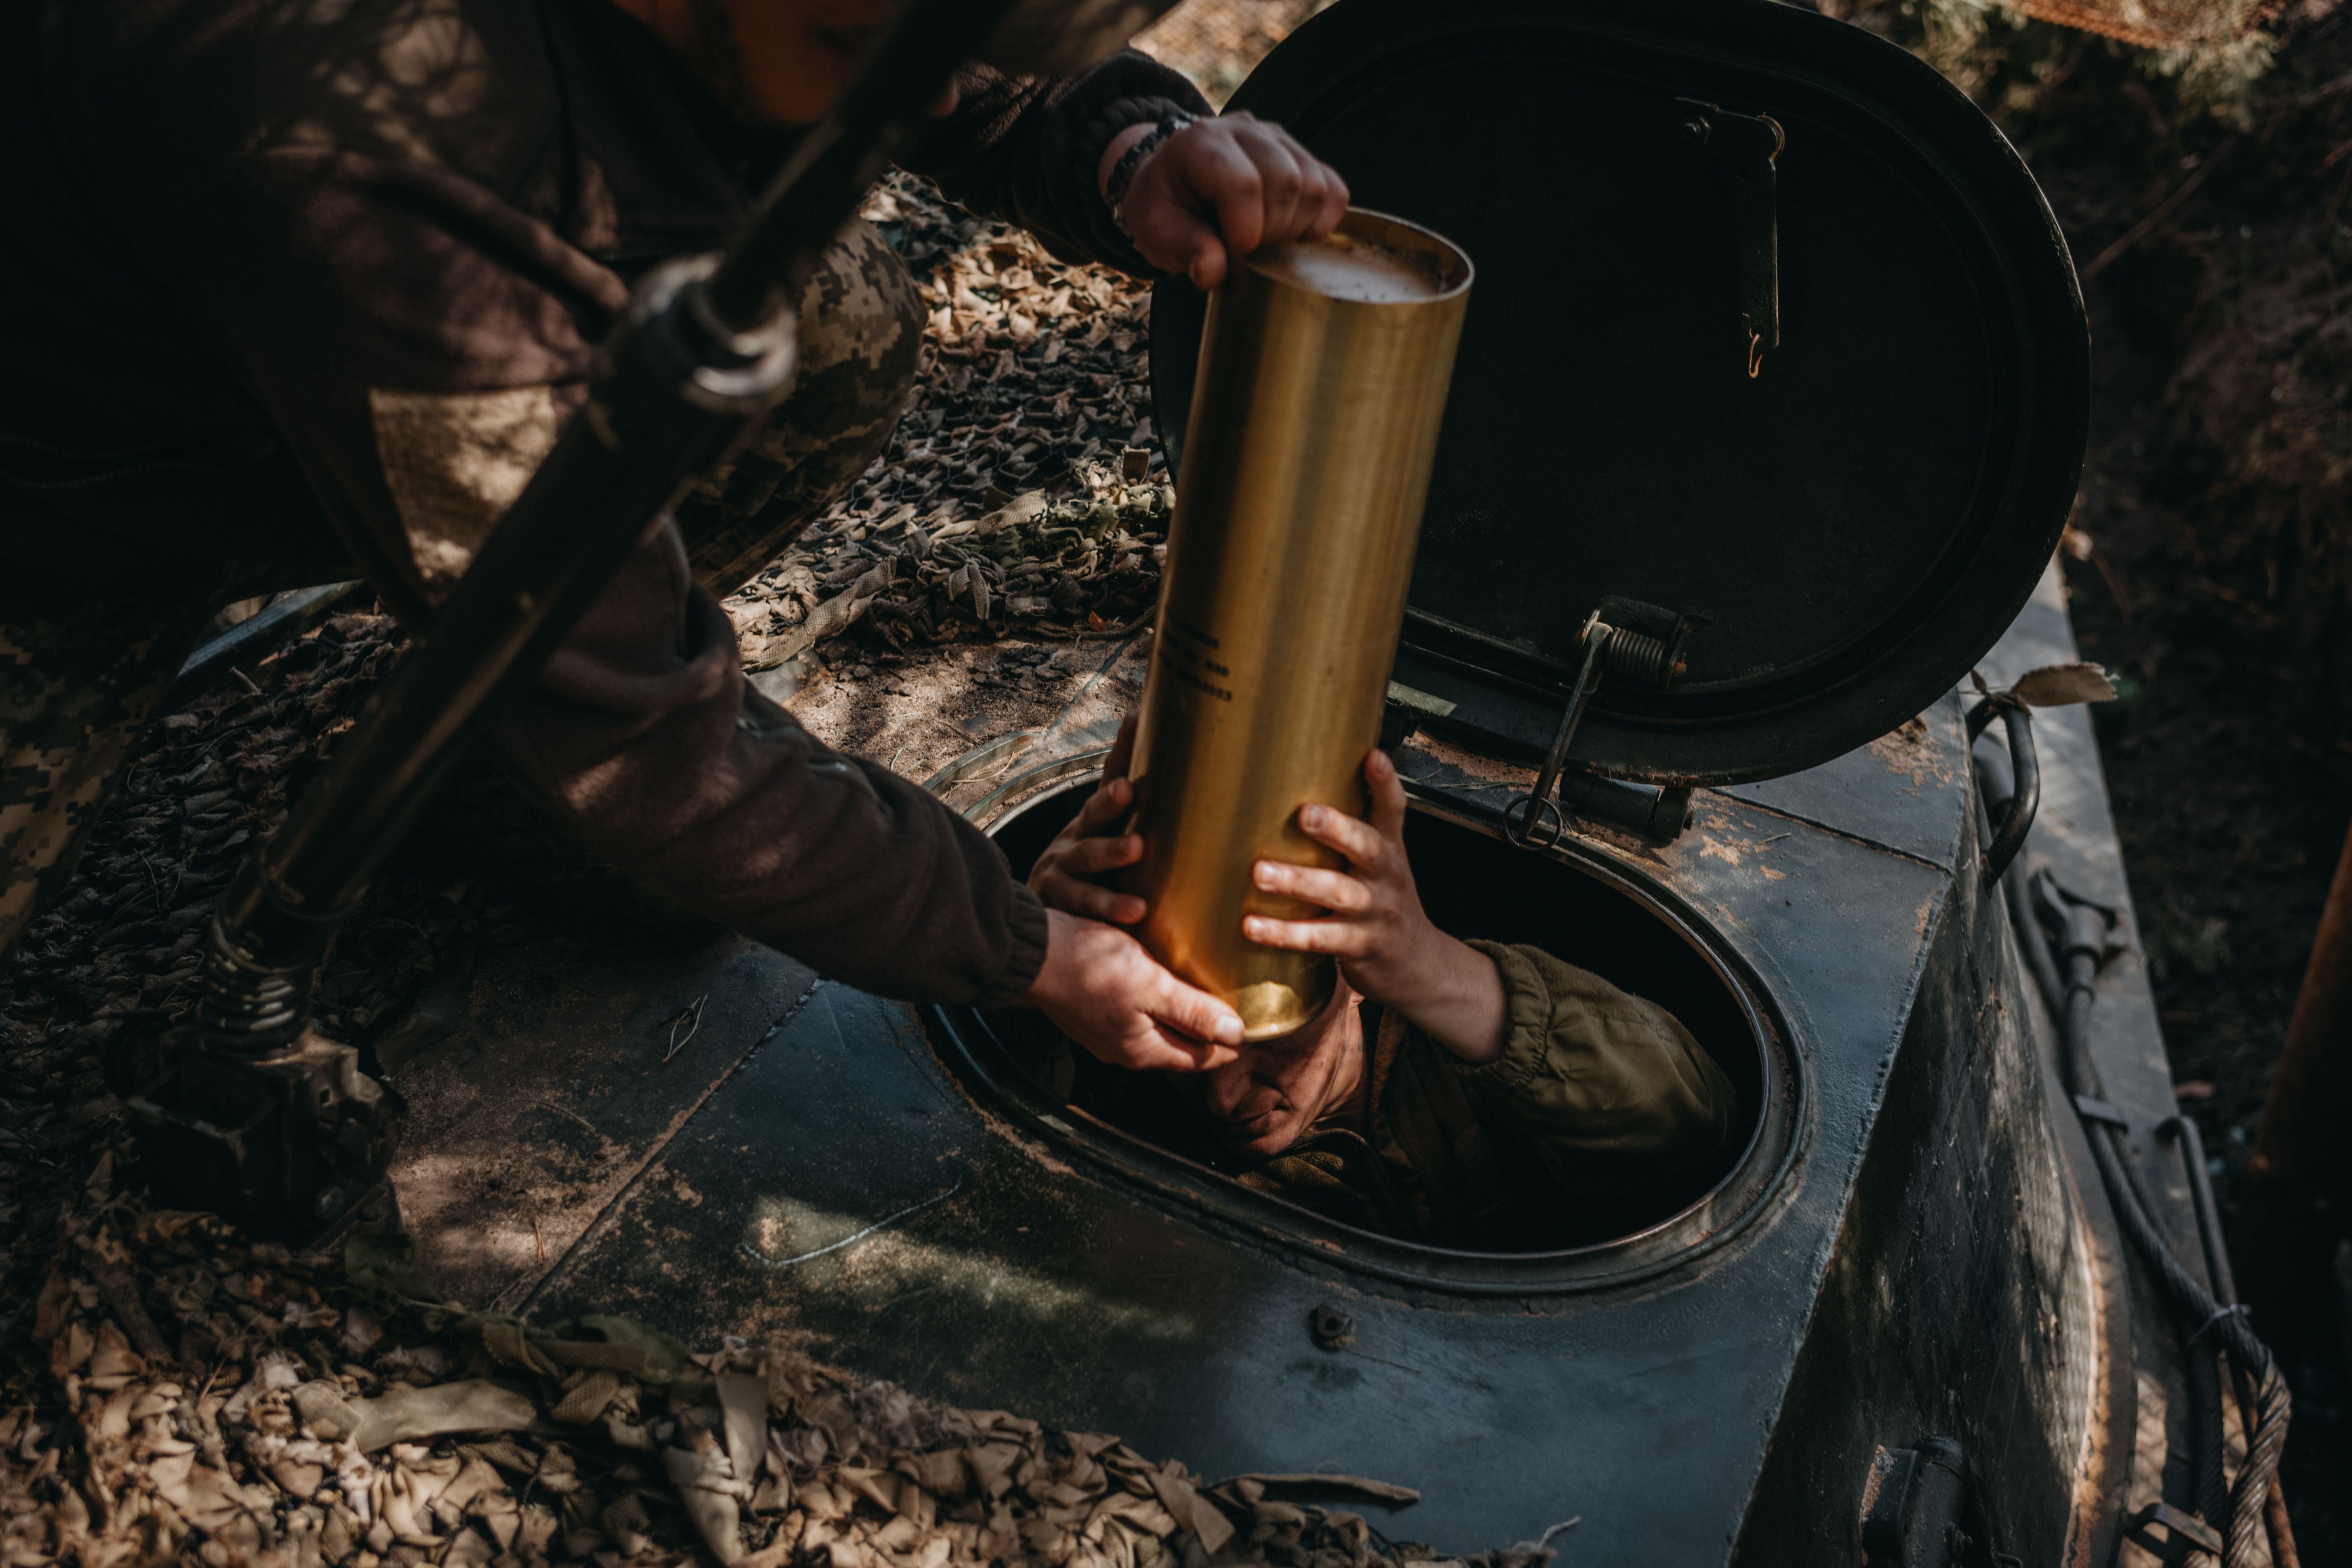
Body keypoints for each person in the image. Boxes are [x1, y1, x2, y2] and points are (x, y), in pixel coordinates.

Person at [0, 0, 1350, 1072]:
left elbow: (928, 54)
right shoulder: (361, 139)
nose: (931, 101)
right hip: (70, 474)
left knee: (829, 321)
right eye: (854, 48)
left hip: (294, 322)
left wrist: (1125, 143)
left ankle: (482, 769)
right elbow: (639, 731)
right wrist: (1018, 946)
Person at [1025, 727, 1738, 1247]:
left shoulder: (1459, 1063)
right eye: (1183, 1037)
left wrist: (1434, 968)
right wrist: (1030, 960)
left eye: (1266, 1039)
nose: (1222, 1097)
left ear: (1353, 972)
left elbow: (1694, 1119)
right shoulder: (1126, 1054)